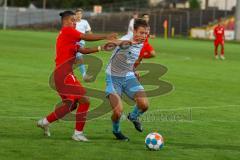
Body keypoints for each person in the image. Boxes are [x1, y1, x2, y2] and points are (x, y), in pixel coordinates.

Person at [37, 10, 117, 142]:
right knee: (85, 100)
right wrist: (106, 36)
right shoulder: (68, 31)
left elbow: (82, 50)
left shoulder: (68, 36)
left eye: (76, 20)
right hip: (64, 75)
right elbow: (85, 37)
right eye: (73, 20)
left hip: (63, 75)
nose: (75, 22)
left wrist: (101, 48)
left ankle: (45, 121)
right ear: (66, 21)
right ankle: (78, 134)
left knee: (71, 105)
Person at [106, 19, 149, 141]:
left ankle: (133, 116)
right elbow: (113, 43)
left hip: (128, 75)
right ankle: (116, 131)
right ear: (134, 31)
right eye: (141, 33)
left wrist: (133, 70)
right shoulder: (127, 40)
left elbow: (129, 58)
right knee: (118, 112)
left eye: (146, 33)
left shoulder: (141, 43)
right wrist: (124, 42)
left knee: (144, 105)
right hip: (113, 77)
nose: (144, 36)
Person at [75, 8, 93, 82]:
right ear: (75, 15)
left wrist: (94, 37)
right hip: (72, 43)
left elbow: (89, 32)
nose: (79, 15)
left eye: (80, 14)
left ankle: (84, 75)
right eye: (77, 14)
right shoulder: (72, 23)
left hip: (81, 43)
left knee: (79, 58)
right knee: (77, 58)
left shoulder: (85, 22)